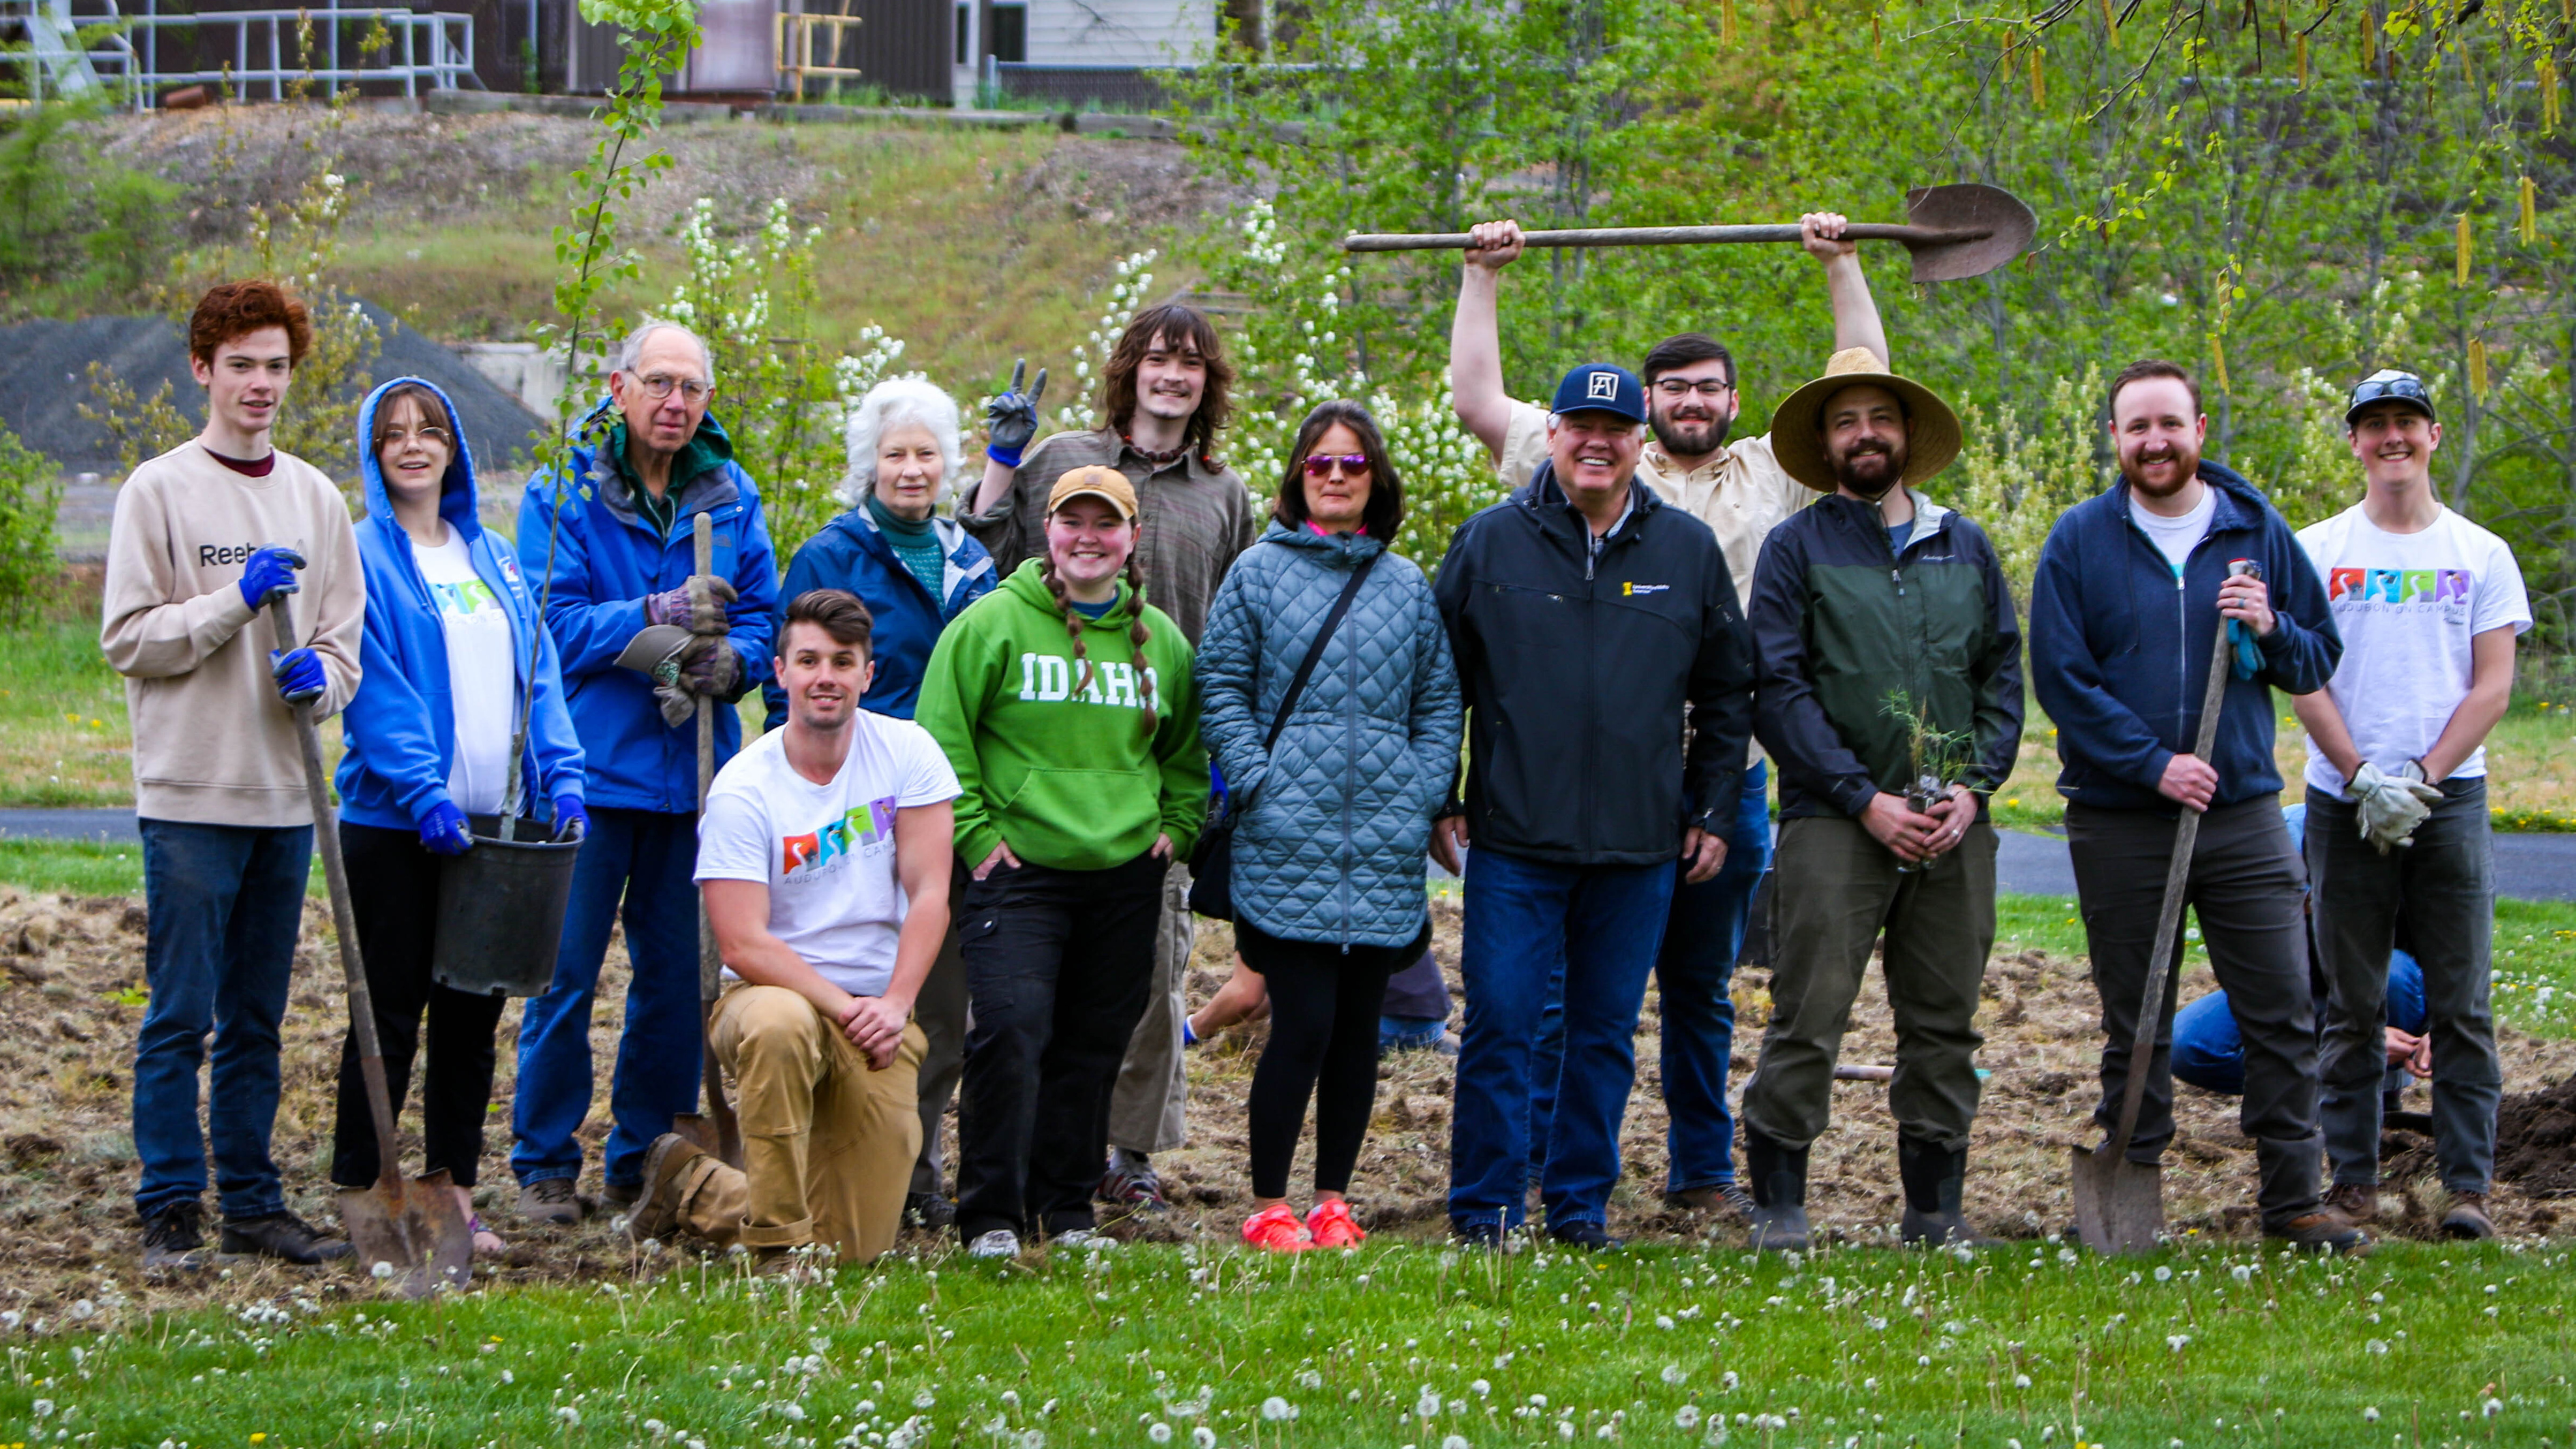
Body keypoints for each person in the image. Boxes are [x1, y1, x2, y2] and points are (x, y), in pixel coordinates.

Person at [1448, 211, 1885, 1217]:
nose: (1692, 402)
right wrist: (1483, 276)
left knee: (1700, 987)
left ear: (1735, 402)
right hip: (1577, 783)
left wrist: (1840, 264)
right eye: (1674, 388)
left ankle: (1700, 1173)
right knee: (1556, 1002)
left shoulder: (1770, 473)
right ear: (1645, 408)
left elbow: (1862, 376)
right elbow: (1479, 399)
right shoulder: (1592, 469)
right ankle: (1534, 1175)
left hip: (1718, 780)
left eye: (1709, 388)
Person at [2028, 359, 2360, 1251]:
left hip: (2243, 811)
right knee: (2134, 1012)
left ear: (2200, 428)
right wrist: (2152, 765)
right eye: (2136, 426)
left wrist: (2268, 626)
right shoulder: (2079, 540)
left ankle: (2293, 1200)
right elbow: (2061, 679)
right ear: (2114, 438)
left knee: (2283, 1005)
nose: (2154, 441)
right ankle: (2130, 1178)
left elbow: (2315, 660)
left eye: (2169, 423)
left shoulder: (2254, 533)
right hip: (2119, 815)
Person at [1433, 362, 1756, 1250]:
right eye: (1579, 424)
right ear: (1556, 434)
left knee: (1604, 1034)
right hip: (1514, 840)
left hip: (1637, 845)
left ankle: (1578, 1208)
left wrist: (1711, 809)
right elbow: (1436, 680)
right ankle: (1486, 1211)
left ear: (1637, 440)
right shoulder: (1490, 543)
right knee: (1499, 1026)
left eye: (1614, 429)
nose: (1596, 442)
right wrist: (1442, 795)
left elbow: (1730, 694)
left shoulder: (1683, 552)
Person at [964, 312, 1256, 1213]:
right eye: (1158, 358)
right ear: (1130, 370)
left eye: (1190, 363)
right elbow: (983, 560)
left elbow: (1238, 617)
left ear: (1207, 383)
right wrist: (1001, 463)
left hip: (1158, 760)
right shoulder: (1063, 459)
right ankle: (1030, 1152)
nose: (1172, 376)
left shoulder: (1222, 490)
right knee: (1032, 990)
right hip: (1046, 749)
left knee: (1150, 979)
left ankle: (1126, 1152)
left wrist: (1198, 791)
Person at [102, 279, 363, 1269]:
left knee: (258, 1014)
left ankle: (253, 1200)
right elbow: (130, 640)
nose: (260, 384)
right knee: (181, 1012)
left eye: (277, 367)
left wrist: (324, 681)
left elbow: (345, 646)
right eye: (242, 364)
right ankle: (170, 1200)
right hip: (190, 795)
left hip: (284, 797)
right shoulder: (156, 490)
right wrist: (232, 603)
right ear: (203, 368)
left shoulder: (315, 499)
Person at [1738, 347, 2022, 1251]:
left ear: (1907, 435)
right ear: (1824, 445)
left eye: (1880, 418)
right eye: (1845, 420)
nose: (1865, 434)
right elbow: (1776, 689)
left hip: (1952, 825)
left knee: (1944, 1020)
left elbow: (2002, 679)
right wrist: (1862, 798)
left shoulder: (1964, 544)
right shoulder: (1797, 548)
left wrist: (1974, 792)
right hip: (1835, 821)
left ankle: (1934, 1209)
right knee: (1809, 1009)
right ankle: (1781, 1202)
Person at [511, 320, 781, 1224]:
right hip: (589, 772)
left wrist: (734, 665)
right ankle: (545, 1161)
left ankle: (644, 1156)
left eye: (691, 388)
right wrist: (657, 618)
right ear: (619, 386)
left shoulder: (730, 492)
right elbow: (549, 624)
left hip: (694, 781)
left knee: (676, 980)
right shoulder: (568, 487)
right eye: (658, 383)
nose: (675, 402)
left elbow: (762, 621)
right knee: (565, 973)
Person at [918, 467, 1208, 1257]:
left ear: (1131, 537)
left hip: (1122, 873)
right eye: (1072, 521)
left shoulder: (1163, 642)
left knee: (1093, 1040)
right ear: (1048, 530)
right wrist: (977, 837)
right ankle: (991, 1215)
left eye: (1105, 523)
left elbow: (1187, 753)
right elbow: (941, 739)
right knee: (1011, 1030)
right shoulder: (991, 625)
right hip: (1019, 872)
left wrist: (1177, 828)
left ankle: (1068, 1208)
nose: (1088, 536)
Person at [328, 377, 588, 1258]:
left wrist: (561, 772)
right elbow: (371, 681)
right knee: (390, 1012)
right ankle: (366, 1189)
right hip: (399, 825)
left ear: (453, 448)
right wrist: (420, 788)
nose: (413, 445)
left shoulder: (497, 557)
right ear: (373, 453)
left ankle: (452, 1200)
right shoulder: (362, 553)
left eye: (429, 430)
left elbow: (538, 668)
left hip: (491, 830)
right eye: (394, 434)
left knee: (471, 1016)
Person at [1196, 400, 1463, 1251]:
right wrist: (1260, 777)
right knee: (1301, 1022)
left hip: (1382, 845)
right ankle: (1269, 1201)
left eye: (1354, 463)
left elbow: (1438, 700)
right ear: (1299, 477)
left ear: (1376, 478)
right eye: (1322, 463)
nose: (1339, 475)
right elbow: (1222, 684)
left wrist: (1421, 790)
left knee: (1357, 1035)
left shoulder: (1406, 584)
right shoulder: (1258, 571)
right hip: (1288, 835)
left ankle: (1333, 1199)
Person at [625, 589, 956, 1270]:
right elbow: (743, 943)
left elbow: (931, 895)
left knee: (856, 1249)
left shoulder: (909, 753)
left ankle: (692, 1184)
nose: (825, 676)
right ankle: (778, 1249)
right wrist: (845, 1006)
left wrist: (894, 1006)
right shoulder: (745, 787)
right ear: (780, 673)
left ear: (869, 673)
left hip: (876, 1011)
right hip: (765, 997)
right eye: (808, 660)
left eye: (843, 661)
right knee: (781, 1023)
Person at [2290, 368, 2529, 1240]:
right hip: (2341, 801)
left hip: (2448, 799)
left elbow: (2493, 685)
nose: (2392, 437)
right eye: (2374, 424)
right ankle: (2350, 1181)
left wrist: (2422, 776)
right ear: (2354, 442)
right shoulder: (2315, 549)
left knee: (2462, 1000)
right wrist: (2358, 775)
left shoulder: (2479, 553)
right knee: (2351, 1005)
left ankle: (2466, 1187)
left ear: (2433, 437)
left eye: (2407, 422)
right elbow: (2301, 675)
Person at [763, 377, 998, 1231]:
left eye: (926, 453)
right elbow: (788, 674)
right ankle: (827, 1155)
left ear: (947, 465)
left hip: (947, 802)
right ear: (871, 462)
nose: (911, 468)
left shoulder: (972, 560)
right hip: (855, 801)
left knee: (935, 994)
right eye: (895, 453)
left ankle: (913, 1164)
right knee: (847, 967)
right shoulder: (833, 555)